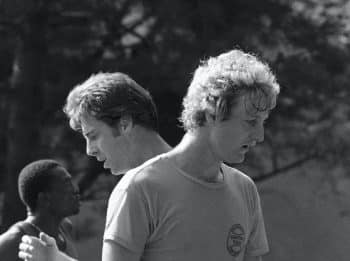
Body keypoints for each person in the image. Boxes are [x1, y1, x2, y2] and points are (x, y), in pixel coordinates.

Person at [19, 49, 280, 261]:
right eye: (250, 121)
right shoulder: (139, 188)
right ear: (212, 113)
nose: (259, 135)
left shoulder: (245, 190)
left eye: (262, 122)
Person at [18, 72, 172, 261]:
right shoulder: (216, 174)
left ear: (124, 124)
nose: (89, 150)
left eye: (92, 135)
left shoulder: (134, 190)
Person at [0, 159, 80, 261]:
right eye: (67, 184)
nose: (75, 190)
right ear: (44, 198)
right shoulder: (15, 239)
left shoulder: (65, 227)